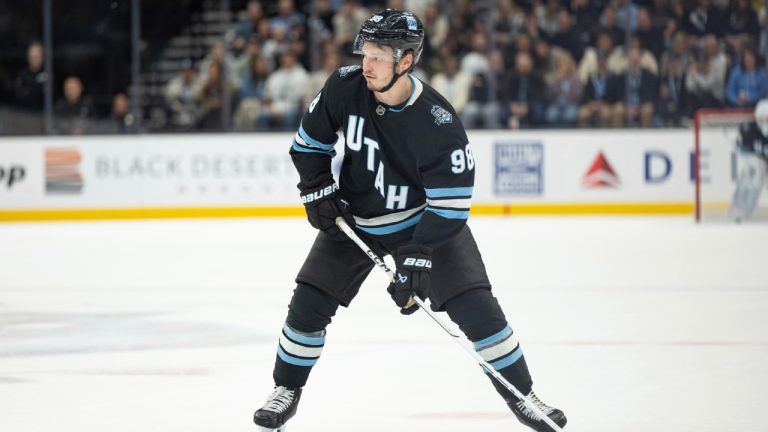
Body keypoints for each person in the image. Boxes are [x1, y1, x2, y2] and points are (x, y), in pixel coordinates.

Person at [252, 9, 567, 432]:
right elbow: (308, 145)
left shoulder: (438, 121)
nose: (367, 63)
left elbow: (450, 206)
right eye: (366, 52)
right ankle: (285, 389)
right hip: (355, 221)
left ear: (406, 61)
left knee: (478, 311)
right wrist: (317, 188)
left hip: (423, 226)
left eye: (380, 55)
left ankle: (524, 396)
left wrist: (418, 256)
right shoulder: (345, 87)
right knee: (307, 306)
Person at [729, 99, 768, 221]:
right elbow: (743, 149)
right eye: (762, 119)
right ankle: (739, 211)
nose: (765, 122)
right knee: (751, 178)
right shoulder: (749, 129)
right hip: (757, 165)